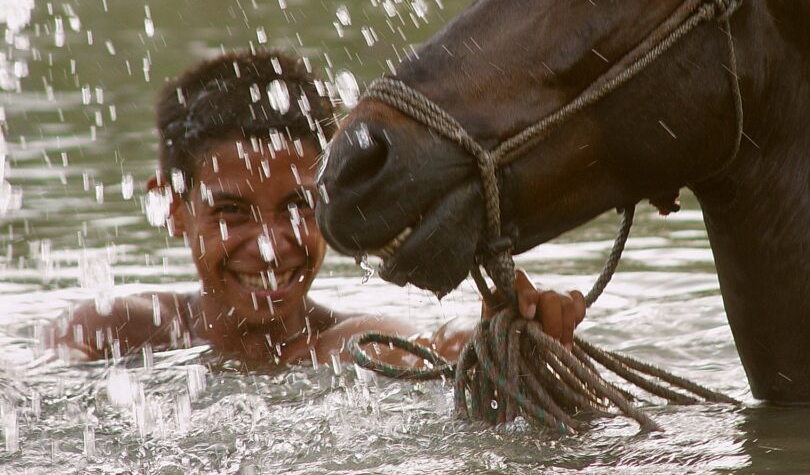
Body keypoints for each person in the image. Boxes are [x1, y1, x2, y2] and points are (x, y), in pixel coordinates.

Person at [54, 50, 584, 367]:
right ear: (171, 206)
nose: (269, 246)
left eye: (298, 206)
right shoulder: (112, 334)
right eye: (232, 212)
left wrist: (511, 341)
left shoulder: (356, 345)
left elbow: (442, 350)